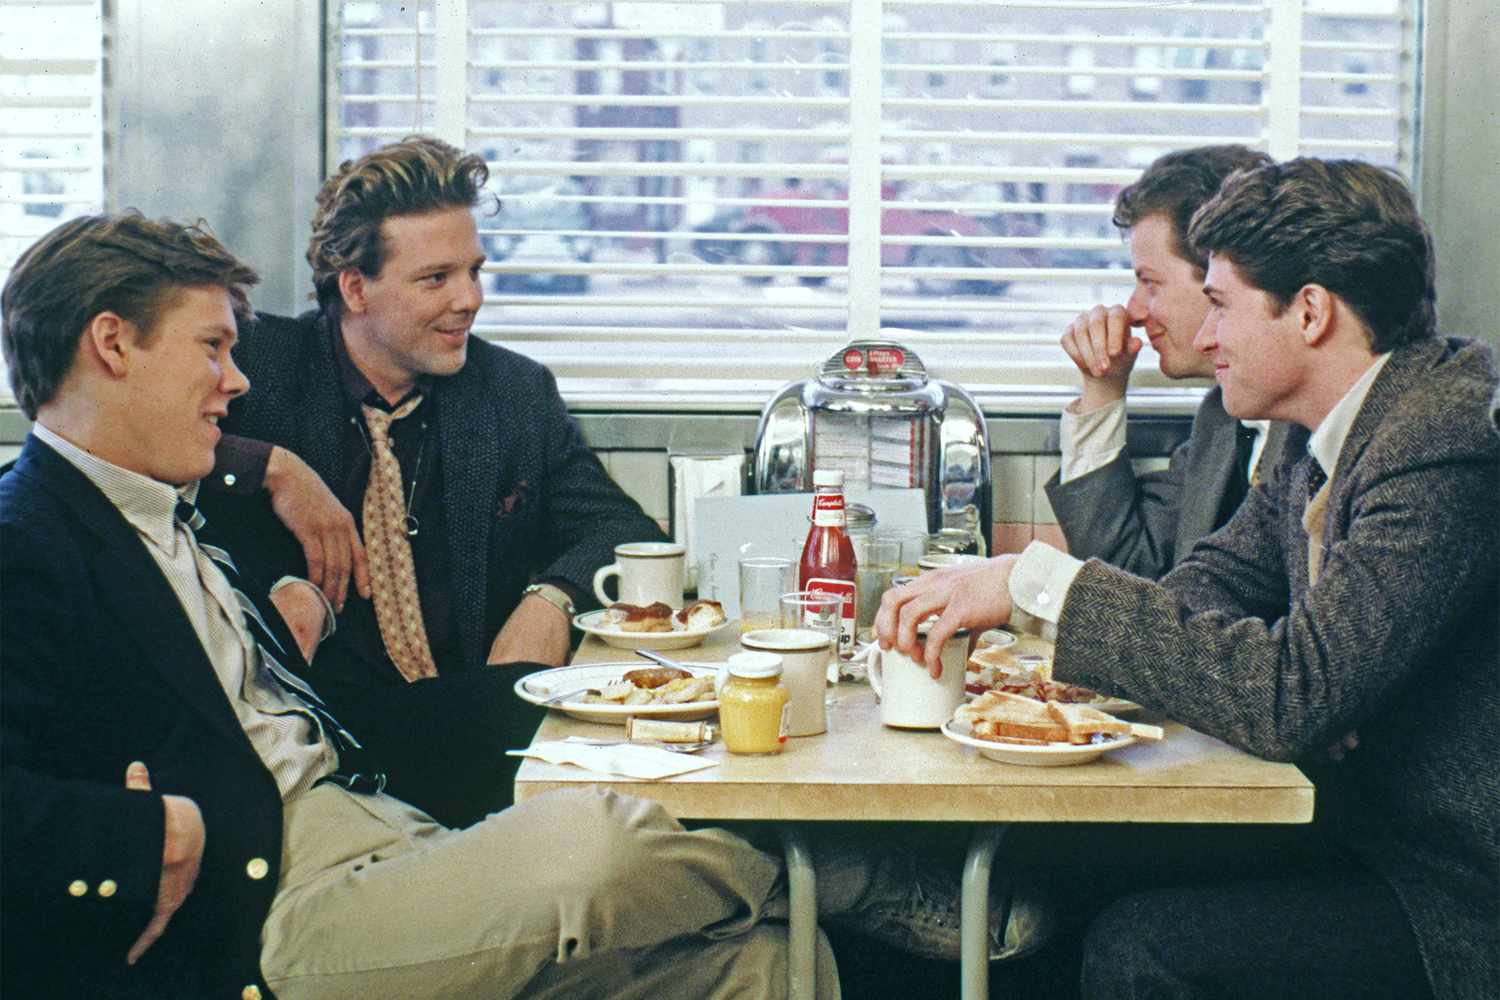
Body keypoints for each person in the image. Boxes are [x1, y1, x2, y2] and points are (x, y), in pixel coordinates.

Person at [3, 211, 1057, 999]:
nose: (235, 383)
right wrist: (134, 834)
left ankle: (800, 889)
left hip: (383, 820)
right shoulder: (26, 541)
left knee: (766, 964)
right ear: (111, 345)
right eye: (209, 350)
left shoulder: (179, 500)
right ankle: (830, 864)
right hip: (279, 896)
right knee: (590, 843)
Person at [878, 159, 1498, 1000]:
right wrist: (1031, 593)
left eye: (1221, 306)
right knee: (1058, 861)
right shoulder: (1315, 432)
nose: (1205, 340)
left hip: (1445, 889)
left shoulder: (1437, 443)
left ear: (1310, 312)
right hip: (1354, 823)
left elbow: (1293, 695)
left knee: (1147, 947)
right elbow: (1208, 583)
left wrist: (1037, 585)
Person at [197, 137, 669, 825]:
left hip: (473, 721)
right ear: (355, 287)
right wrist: (270, 467)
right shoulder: (257, 368)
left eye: (475, 272)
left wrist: (551, 599)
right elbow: (108, 450)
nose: (469, 300)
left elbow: (620, 528)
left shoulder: (511, 392)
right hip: (324, 742)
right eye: (435, 279)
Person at [1045, 144, 1290, 578]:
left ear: (1221, 279)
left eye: (1150, 283)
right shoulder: (1221, 417)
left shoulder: (1308, 426)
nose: (1134, 311)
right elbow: (1129, 567)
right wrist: (1102, 389)